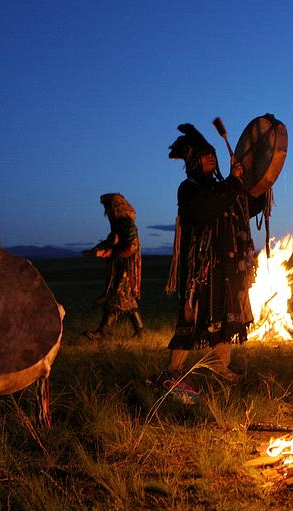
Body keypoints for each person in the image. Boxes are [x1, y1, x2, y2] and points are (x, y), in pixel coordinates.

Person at [155, 123, 265, 389]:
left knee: (224, 317)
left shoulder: (223, 187)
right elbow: (208, 207)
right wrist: (232, 182)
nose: (211, 158)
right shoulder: (189, 188)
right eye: (205, 155)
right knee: (191, 320)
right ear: (193, 161)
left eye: (212, 154)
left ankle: (221, 367)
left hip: (225, 268)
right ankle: (173, 372)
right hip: (200, 270)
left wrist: (257, 179)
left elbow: (245, 205)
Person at [82, 193, 144, 340]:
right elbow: (111, 241)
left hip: (126, 268)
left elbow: (132, 246)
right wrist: (96, 251)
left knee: (115, 297)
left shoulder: (126, 224)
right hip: (120, 266)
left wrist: (111, 253)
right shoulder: (119, 224)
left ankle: (102, 332)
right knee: (127, 298)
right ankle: (140, 330)